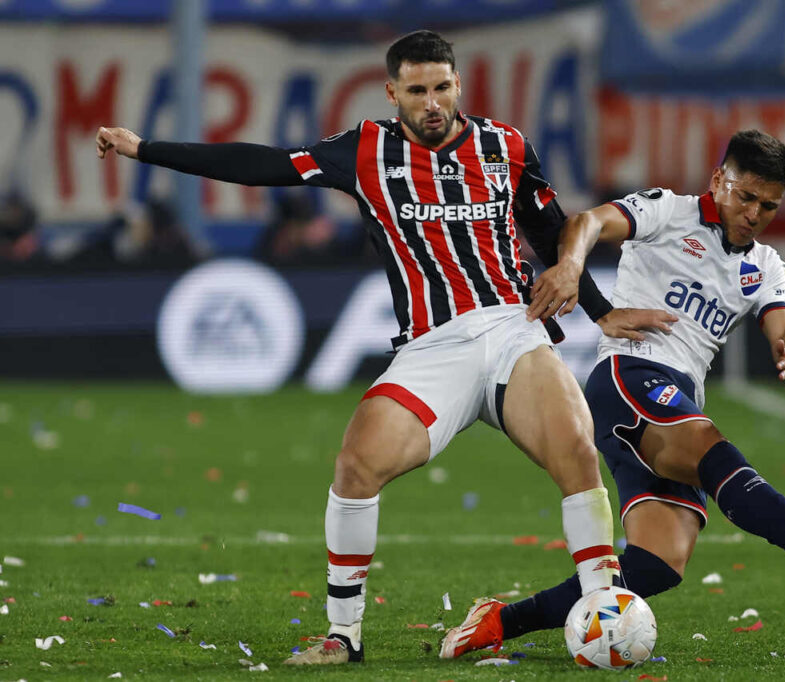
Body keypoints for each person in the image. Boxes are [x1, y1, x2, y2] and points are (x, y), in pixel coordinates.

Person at [96, 30, 662, 665]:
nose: (431, 102)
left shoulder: (505, 147)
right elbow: (265, 164)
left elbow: (552, 229)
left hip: (512, 328)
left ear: (458, 85)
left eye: (442, 87)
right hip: (432, 346)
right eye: (416, 90)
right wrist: (145, 150)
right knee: (356, 467)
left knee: (575, 451)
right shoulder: (363, 149)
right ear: (393, 92)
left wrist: (600, 309)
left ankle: (601, 610)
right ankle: (344, 636)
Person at [440, 130, 785, 659]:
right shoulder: (667, 211)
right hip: (628, 377)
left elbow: (782, 321)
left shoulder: (765, 264)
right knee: (708, 446)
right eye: (744, 196)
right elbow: (587, 222)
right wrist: (569, 265)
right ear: (717, 180)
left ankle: (499, 621)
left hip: (677, 399)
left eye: (767, 205)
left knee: (658, 564)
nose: (753, 213)